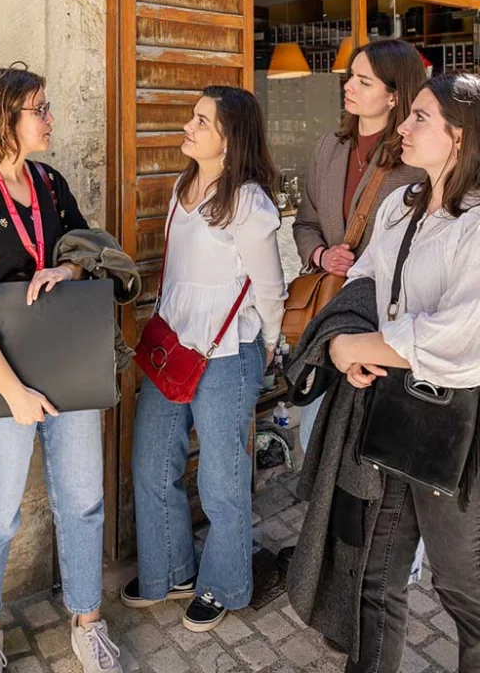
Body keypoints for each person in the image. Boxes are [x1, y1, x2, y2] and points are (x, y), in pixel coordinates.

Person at [0, 66, 123, 673]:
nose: (49, 118)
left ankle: (88, 621)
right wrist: (14, 394)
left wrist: (68, 271)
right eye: (39, 108)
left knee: (84, 500)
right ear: (2, 119)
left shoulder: (50, 182)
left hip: (67, 370)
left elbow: (85, 249)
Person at [291, 72, 480, 672]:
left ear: (460, 137)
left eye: (419, 117)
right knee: (373, 578)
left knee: (462, 592)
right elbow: (369, 277)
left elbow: (460, 335)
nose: (403, 127)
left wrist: (359, 346)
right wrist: (349, 341)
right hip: (391, 406)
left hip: (459, 423)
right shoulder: (402, 204)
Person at [120, 85, 287, 631]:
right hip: (173, 349)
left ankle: (225, 584)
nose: (188, 127)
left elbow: (270, 288)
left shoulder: (249, 202)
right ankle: (170, 571)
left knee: (220, 478)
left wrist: (269, 343)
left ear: (229, 138)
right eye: (192, 117)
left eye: (202, 121)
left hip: (227, 355)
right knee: (150, 463)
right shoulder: (182, 186)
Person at [292, 38, 426, 451]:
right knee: (312, 433)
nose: (348, 86)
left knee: (369, 443)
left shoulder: (418, 159)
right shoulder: (330, 146)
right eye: (350, 77)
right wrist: (320, 254)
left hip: (390, 322)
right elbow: (305, 223)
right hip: (331, 311)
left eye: (363, 81)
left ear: (394, 96)